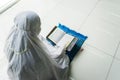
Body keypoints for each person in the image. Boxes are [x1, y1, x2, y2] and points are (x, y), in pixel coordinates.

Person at [4, 11, 70, 80]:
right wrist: (61, 50)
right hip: (32, 73)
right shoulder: (34, 55)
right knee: (61, 61)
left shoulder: (11, 38)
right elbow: (46, 65)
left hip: (17, 71)